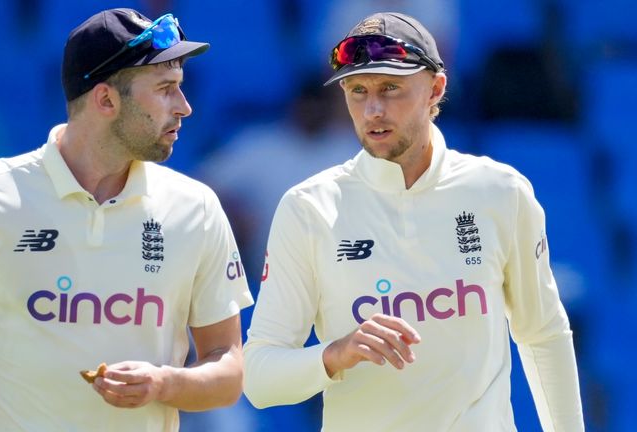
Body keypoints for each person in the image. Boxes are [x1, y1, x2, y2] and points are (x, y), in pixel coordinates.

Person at [0, 8, 253, 432]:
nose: (185, 107)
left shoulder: (196, 208)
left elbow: (229, 371)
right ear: (106, 100)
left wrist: (163, 384)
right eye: (165, 89)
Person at [243, 12, 585, 431]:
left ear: (436, 88)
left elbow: (544, 334)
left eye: (391, 88)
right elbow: (259, 378)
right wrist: (334, 354)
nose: (372, 109)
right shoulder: (309, 207)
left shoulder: (500, 191)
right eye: (357, 91)